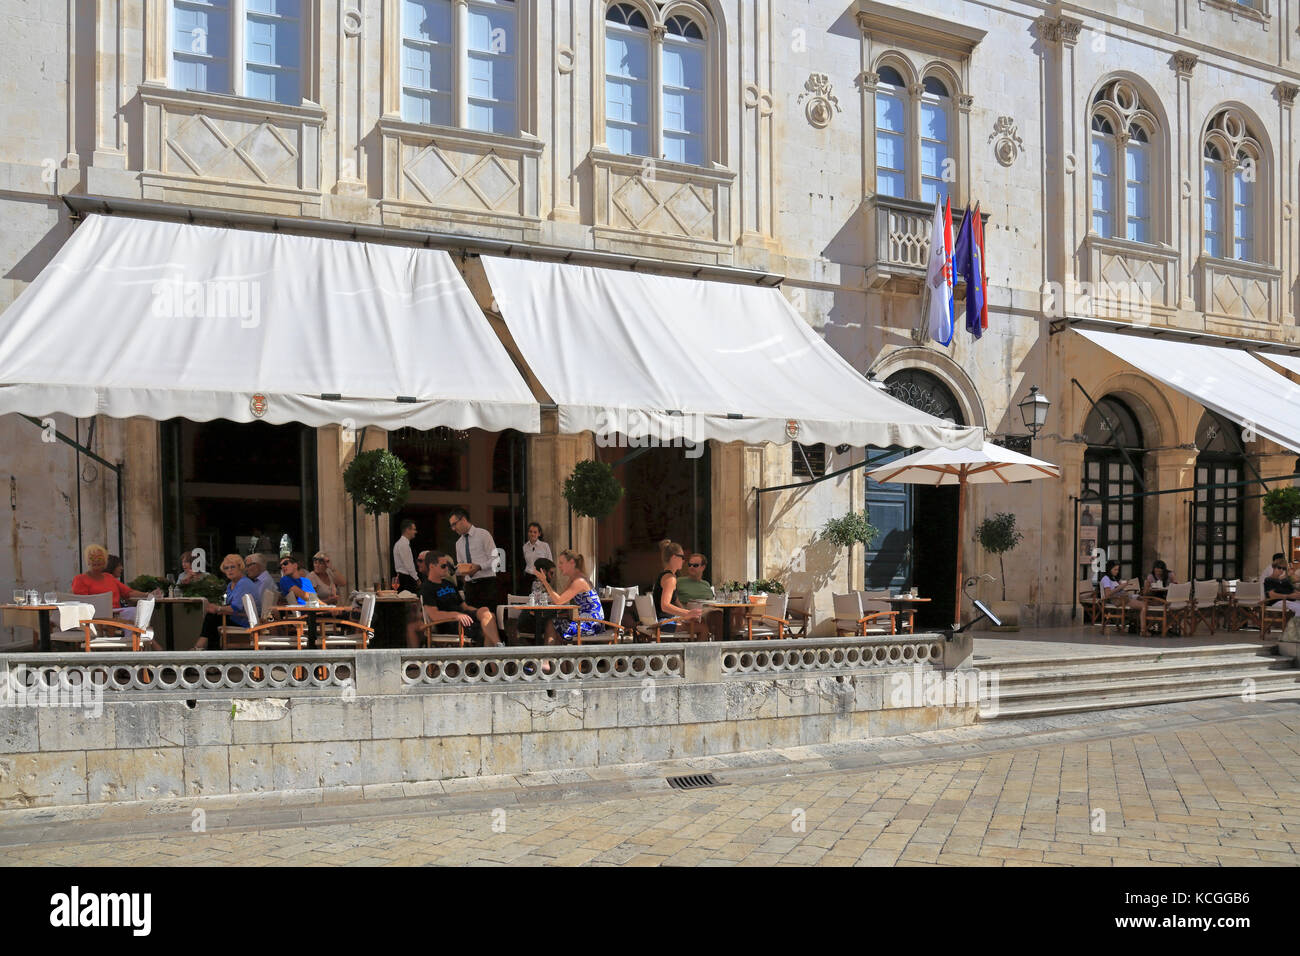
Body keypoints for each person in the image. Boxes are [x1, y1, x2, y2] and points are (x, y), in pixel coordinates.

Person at [419, 551, 502, 647]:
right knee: (487, 628)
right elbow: (434, 614)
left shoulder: (448, 584)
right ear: (431, 566)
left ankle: (498, 645)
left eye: (448, 566)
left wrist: (482, 612)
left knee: (487, 613)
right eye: (443, 566)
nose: (447, 569)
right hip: (450, 623)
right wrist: (456, 615)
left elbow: (464, 606)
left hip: (464, 618)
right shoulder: (427, 587)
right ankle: (497, 650)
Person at [531, 550, 604, 645]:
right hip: (585, 621)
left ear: (572, 563)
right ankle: (556, 659)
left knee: (552, 625)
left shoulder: (579, 581)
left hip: (592, 624)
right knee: (554, 624)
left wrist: (544, 581)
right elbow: (560, 598)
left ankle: (548, 659)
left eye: (561, 563)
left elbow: (559, 601)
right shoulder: (574, 579)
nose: (559, 566)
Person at [196, 554, 260, 650]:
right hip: (237, 617)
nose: (229, 570)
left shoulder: (244, 583)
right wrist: (217, 608)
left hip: (245, 621)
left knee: (213, 618)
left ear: (240, 567)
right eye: (226, 568)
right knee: (213, 617)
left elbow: (235, 608)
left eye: (232, 567)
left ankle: (201, 647)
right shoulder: (231, 584)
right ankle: (207, 649)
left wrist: (218, 608)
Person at [72, 544, 149, 622]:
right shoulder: (80, 579)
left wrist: (148, 594)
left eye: (99, 558)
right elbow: (83, 603)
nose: (96, 560)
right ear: (88, 561)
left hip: (116, 613)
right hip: (96, 617)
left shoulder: (109, 577)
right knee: (133, 612)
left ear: (105, 561)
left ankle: (132, 634)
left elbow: (129, 592)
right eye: (92, 558)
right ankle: (132, 634)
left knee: (139, 612)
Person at [449, 507, 499, 609]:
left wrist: (479, 567)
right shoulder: (458, 543)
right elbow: (461, 566)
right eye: (451, 526)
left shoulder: (483, 534)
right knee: (472, 619)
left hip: (487, 583)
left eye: (454, 524)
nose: (453, 528)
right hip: (469, 586)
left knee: (489, 618)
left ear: (463, 519)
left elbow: (496, 560)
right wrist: (452, 570)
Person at [653, 539, 703, 636]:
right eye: (682, 557)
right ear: (674, 557)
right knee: (702, 628)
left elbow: (676, 602)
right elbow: (665, 606)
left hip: (665, 620)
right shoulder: (670, 578)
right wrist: (687, 614)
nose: (684, 561)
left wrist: (689, 613)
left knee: (699, 623)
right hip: (664, 623)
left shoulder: (666, 576)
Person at [677, 552, 724, 639]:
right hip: (689, 612)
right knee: (716, 616)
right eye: (690, 565)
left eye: (695, 565)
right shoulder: (679, 581)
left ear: (703, 567)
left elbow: (712, 601)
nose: (691, 567)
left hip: (707, 611)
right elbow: (673, 599)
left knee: (720, 615)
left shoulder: (706, 584)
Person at [515, 556, 558, 643]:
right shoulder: (537, 585)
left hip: (531, 623)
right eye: (551, 573)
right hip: (529, 623)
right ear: (544, 572)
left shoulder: (531, 583)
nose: (553, 576)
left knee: (551, 622)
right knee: (551, 622)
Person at [1099, 559, 1142, 632]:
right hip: (1116, 599)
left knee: (1141, 598)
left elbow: (1118, 589)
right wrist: (1120, 587)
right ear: (1109, 569)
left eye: (1117, 570)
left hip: (1122, 596)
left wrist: (1124, 585)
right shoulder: (1106, 579)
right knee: (1140, 602)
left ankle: (1135, 624)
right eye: (1115, 569)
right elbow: (1108, 594)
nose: (1117, 571)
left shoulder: (1113, 578)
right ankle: (1136, 624)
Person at [393, 520, 419, 593]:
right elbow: (409, 564)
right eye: (414, 529)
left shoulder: (400, 543)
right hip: (406, 579)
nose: (415, 532)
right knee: (409, 601)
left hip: (402, 578)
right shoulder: (403, 544)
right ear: (408, 530)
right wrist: (417, 579)